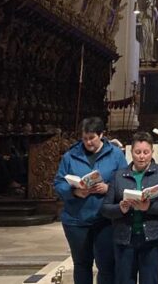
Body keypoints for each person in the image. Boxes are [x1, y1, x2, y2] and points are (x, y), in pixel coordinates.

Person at [54, 116, 129, 284]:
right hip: (76, 219)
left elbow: (126, 181)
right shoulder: (70, 155)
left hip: (105, 220)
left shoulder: (116, 154)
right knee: (81, 264)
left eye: (92, 138)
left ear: (101, 134)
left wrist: (108, 188)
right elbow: (58, 183)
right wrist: (74, 191)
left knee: (107, 266)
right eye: (85, 138)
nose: (88, 142)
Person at [102, 132, 158, 284]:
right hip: (124, 237)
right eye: (138, 152)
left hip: (152, 237)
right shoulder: (118, 176)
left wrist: (149, 207)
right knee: (124, 280)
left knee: (150, 280)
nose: (142, 156)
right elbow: (105, 208)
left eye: (146, 152)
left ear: (152, 152)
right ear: (131, 152)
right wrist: (120, 209)